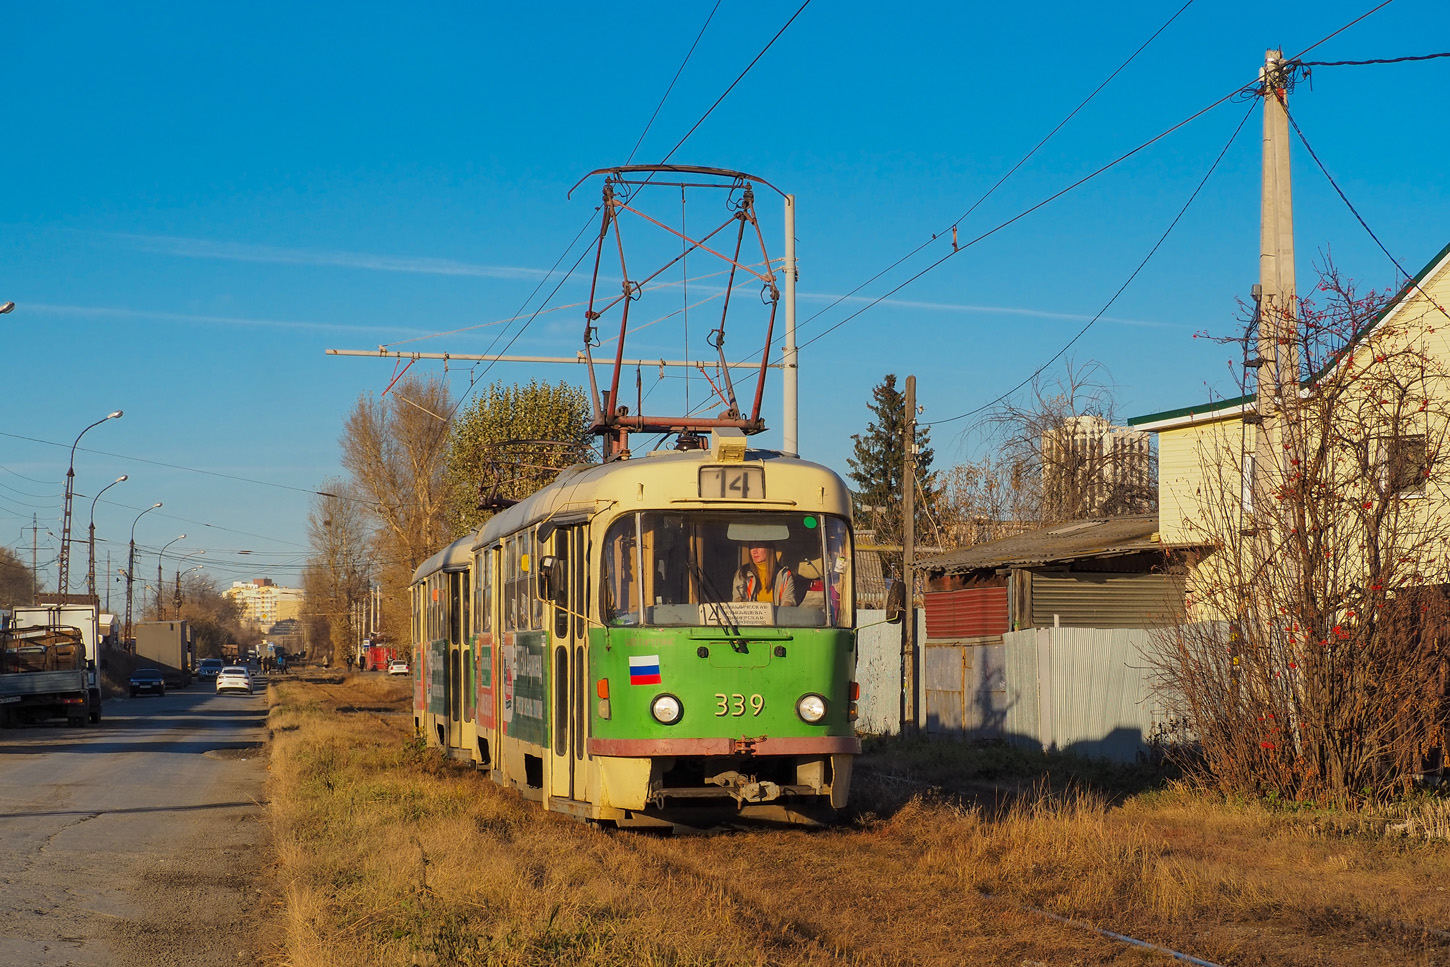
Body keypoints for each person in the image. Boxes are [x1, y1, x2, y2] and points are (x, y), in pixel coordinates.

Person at [731, 541, 797, 606]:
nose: (754, 551)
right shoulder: (743, 573)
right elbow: (738, 598)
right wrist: (740, 601)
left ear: (769, 549)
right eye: (751, 547)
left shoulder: (784, 575)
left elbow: (789, 601)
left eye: (758, 546)